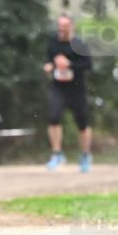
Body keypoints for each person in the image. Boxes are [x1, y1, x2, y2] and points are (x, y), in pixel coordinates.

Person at [43, 13, 93, 172]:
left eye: (65, 26)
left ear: (72, 27)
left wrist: (69, 64)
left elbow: (88, 65)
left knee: (82, 122)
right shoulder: (53, 43)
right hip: (59, 87)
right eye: (60, 26)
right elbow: (49, 60)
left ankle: (85, 154)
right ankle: (57, 153)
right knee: (53, 117)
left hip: (77, 88)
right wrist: (49, 66)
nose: (62, 29)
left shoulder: (79, 44)